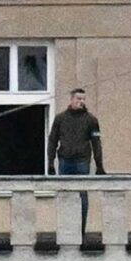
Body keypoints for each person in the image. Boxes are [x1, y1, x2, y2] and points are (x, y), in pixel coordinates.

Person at [48, 88, 105, 237]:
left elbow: (96, 143)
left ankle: (81, 232)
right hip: (65, 161)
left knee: (82, 196)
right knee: (64, 195)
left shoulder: (91, 120)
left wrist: (99, 166)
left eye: (83, 99)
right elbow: (52, 141)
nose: (81, 102)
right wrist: (50, 163)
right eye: (78, 99)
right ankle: (65, 231)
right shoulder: (60, 118)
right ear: (71, 99)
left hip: (82, 162)